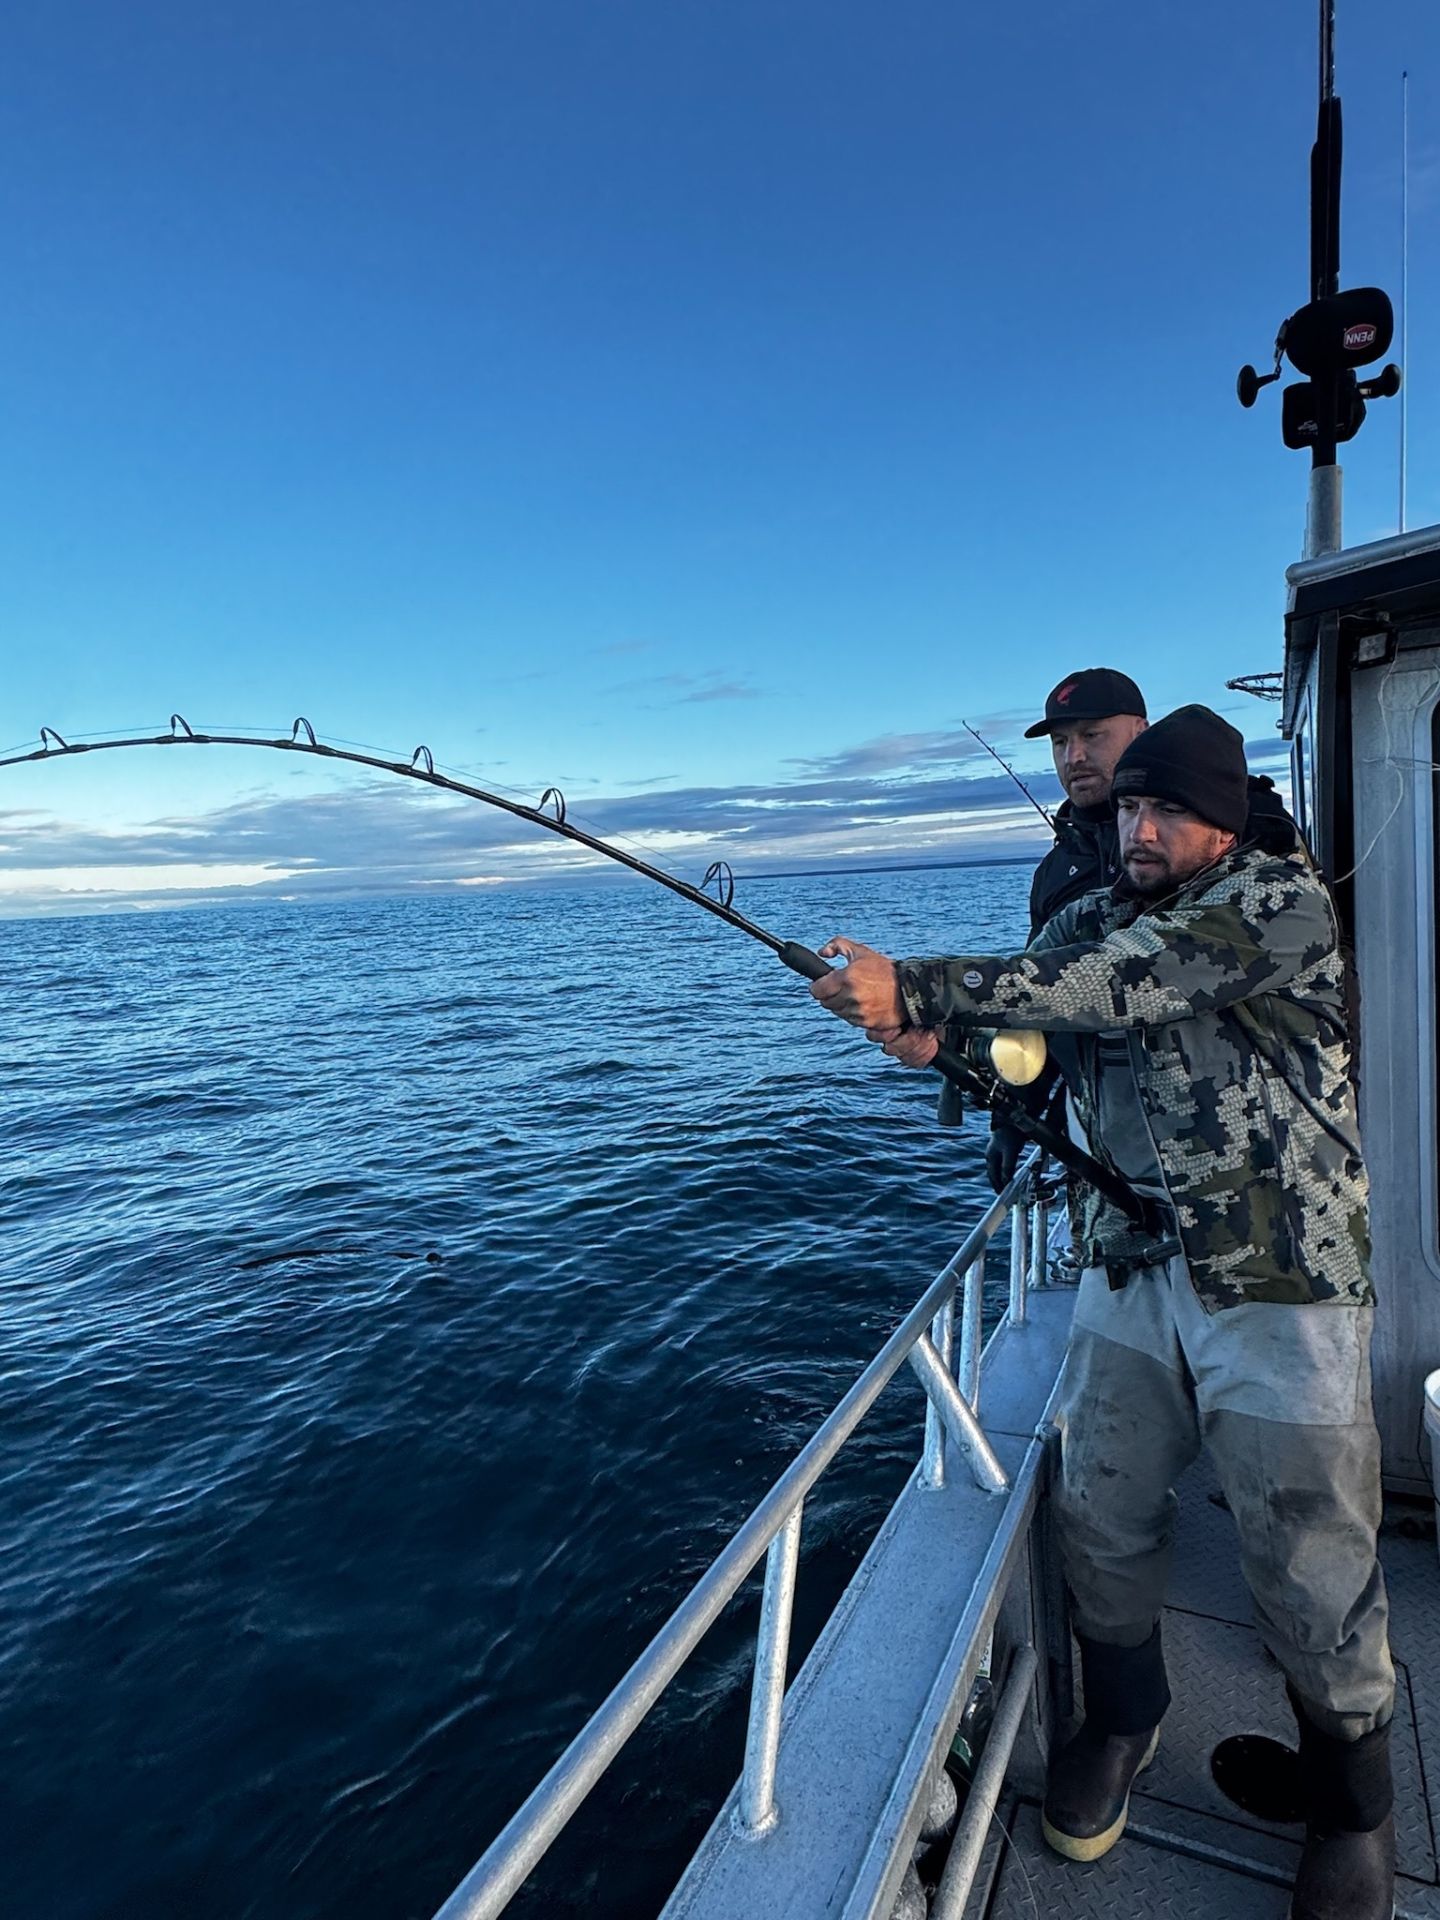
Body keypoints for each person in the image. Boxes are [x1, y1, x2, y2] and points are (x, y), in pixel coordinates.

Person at [808, 706, 1394, 1920]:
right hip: (1129, 1266)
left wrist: (918, 977)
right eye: (1127, 805)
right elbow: (1038, 1042)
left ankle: (1353, 1809)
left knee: (1307, 1549)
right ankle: (1124, 1724)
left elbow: (1127, 986)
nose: (1136, 826)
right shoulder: (1085, 918)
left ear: (1223, 820)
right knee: (1099, 1513)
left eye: (1164, 807)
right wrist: (944, 1044)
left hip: (1283, 1281)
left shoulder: (1281, 906)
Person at [982, 668, 1147, 1195]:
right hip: (1097, 1131)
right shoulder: (1054, 872)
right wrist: (1011, 1120)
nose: (1073, 756)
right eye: (1060, 741)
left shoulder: (1199, 833)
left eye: (1092, 735)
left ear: (1141, 731)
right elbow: (1035, 1004)